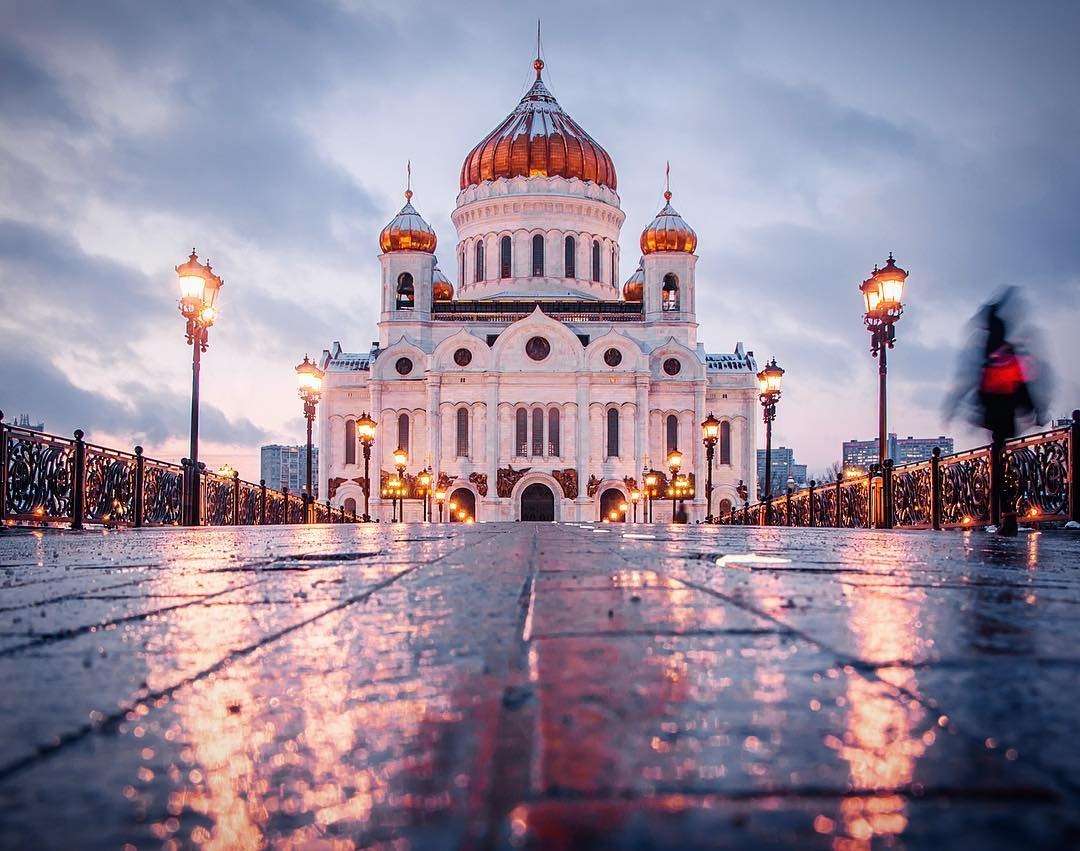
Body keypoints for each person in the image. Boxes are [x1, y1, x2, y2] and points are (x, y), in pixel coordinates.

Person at [946, 287, 1052, 535]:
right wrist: (1033, 410)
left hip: (993, 416)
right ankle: (1006, 514)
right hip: (1005, 416)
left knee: (998, 465)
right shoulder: (1006, 350)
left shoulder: (987, 350)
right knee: (1004, 464)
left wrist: (956, 404)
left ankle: (1003, 514)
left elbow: (972, 379)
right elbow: (1022, 384)